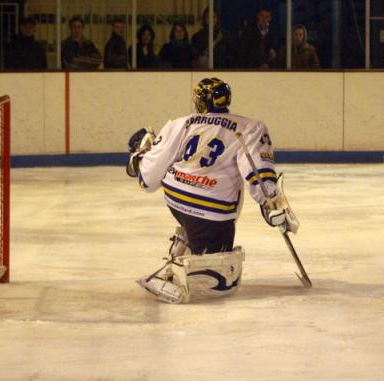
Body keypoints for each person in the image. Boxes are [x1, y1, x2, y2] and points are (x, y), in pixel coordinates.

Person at [125, 77, 296, 303]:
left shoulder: (180, 123)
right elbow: (257, 172)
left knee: (192, 217)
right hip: (211, 212)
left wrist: (140, 158)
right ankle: (183, 266)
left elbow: (148, 180)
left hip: (175, 198)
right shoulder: (250, 127)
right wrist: (270, 203)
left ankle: (184, 245)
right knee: (221, 280)